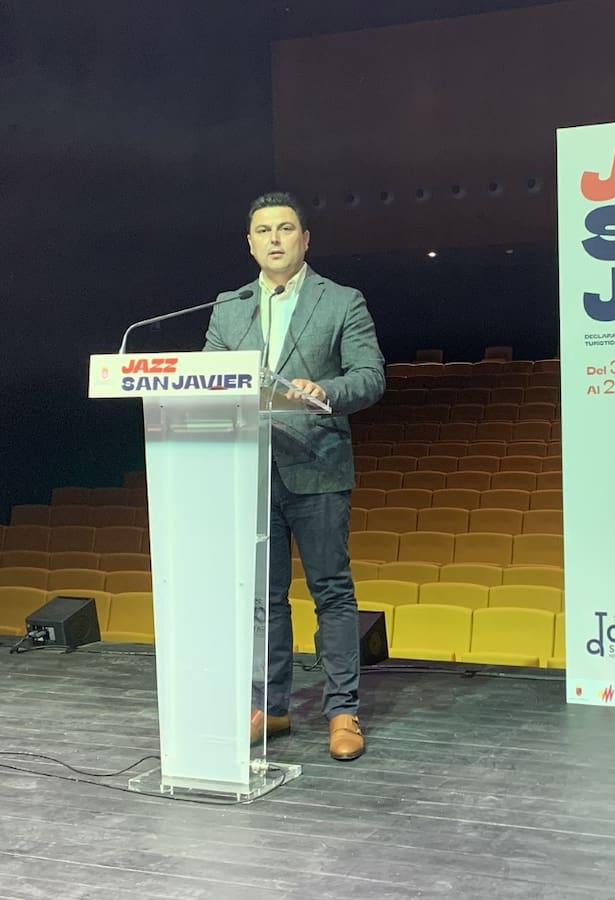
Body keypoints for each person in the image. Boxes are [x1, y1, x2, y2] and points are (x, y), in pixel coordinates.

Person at [204, 191, 385, 759]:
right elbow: (207, 377)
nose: (275, 239)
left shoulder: (342, 301)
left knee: (332, 592)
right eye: (264, 231)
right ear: (250, 243)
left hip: (317, 466)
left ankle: (343, 711)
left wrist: (323, 390)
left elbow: (370, 376)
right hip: (253, 468)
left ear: (305, 240)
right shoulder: (229, 307)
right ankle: (271, 707)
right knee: (265, 598)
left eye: (285, 229)